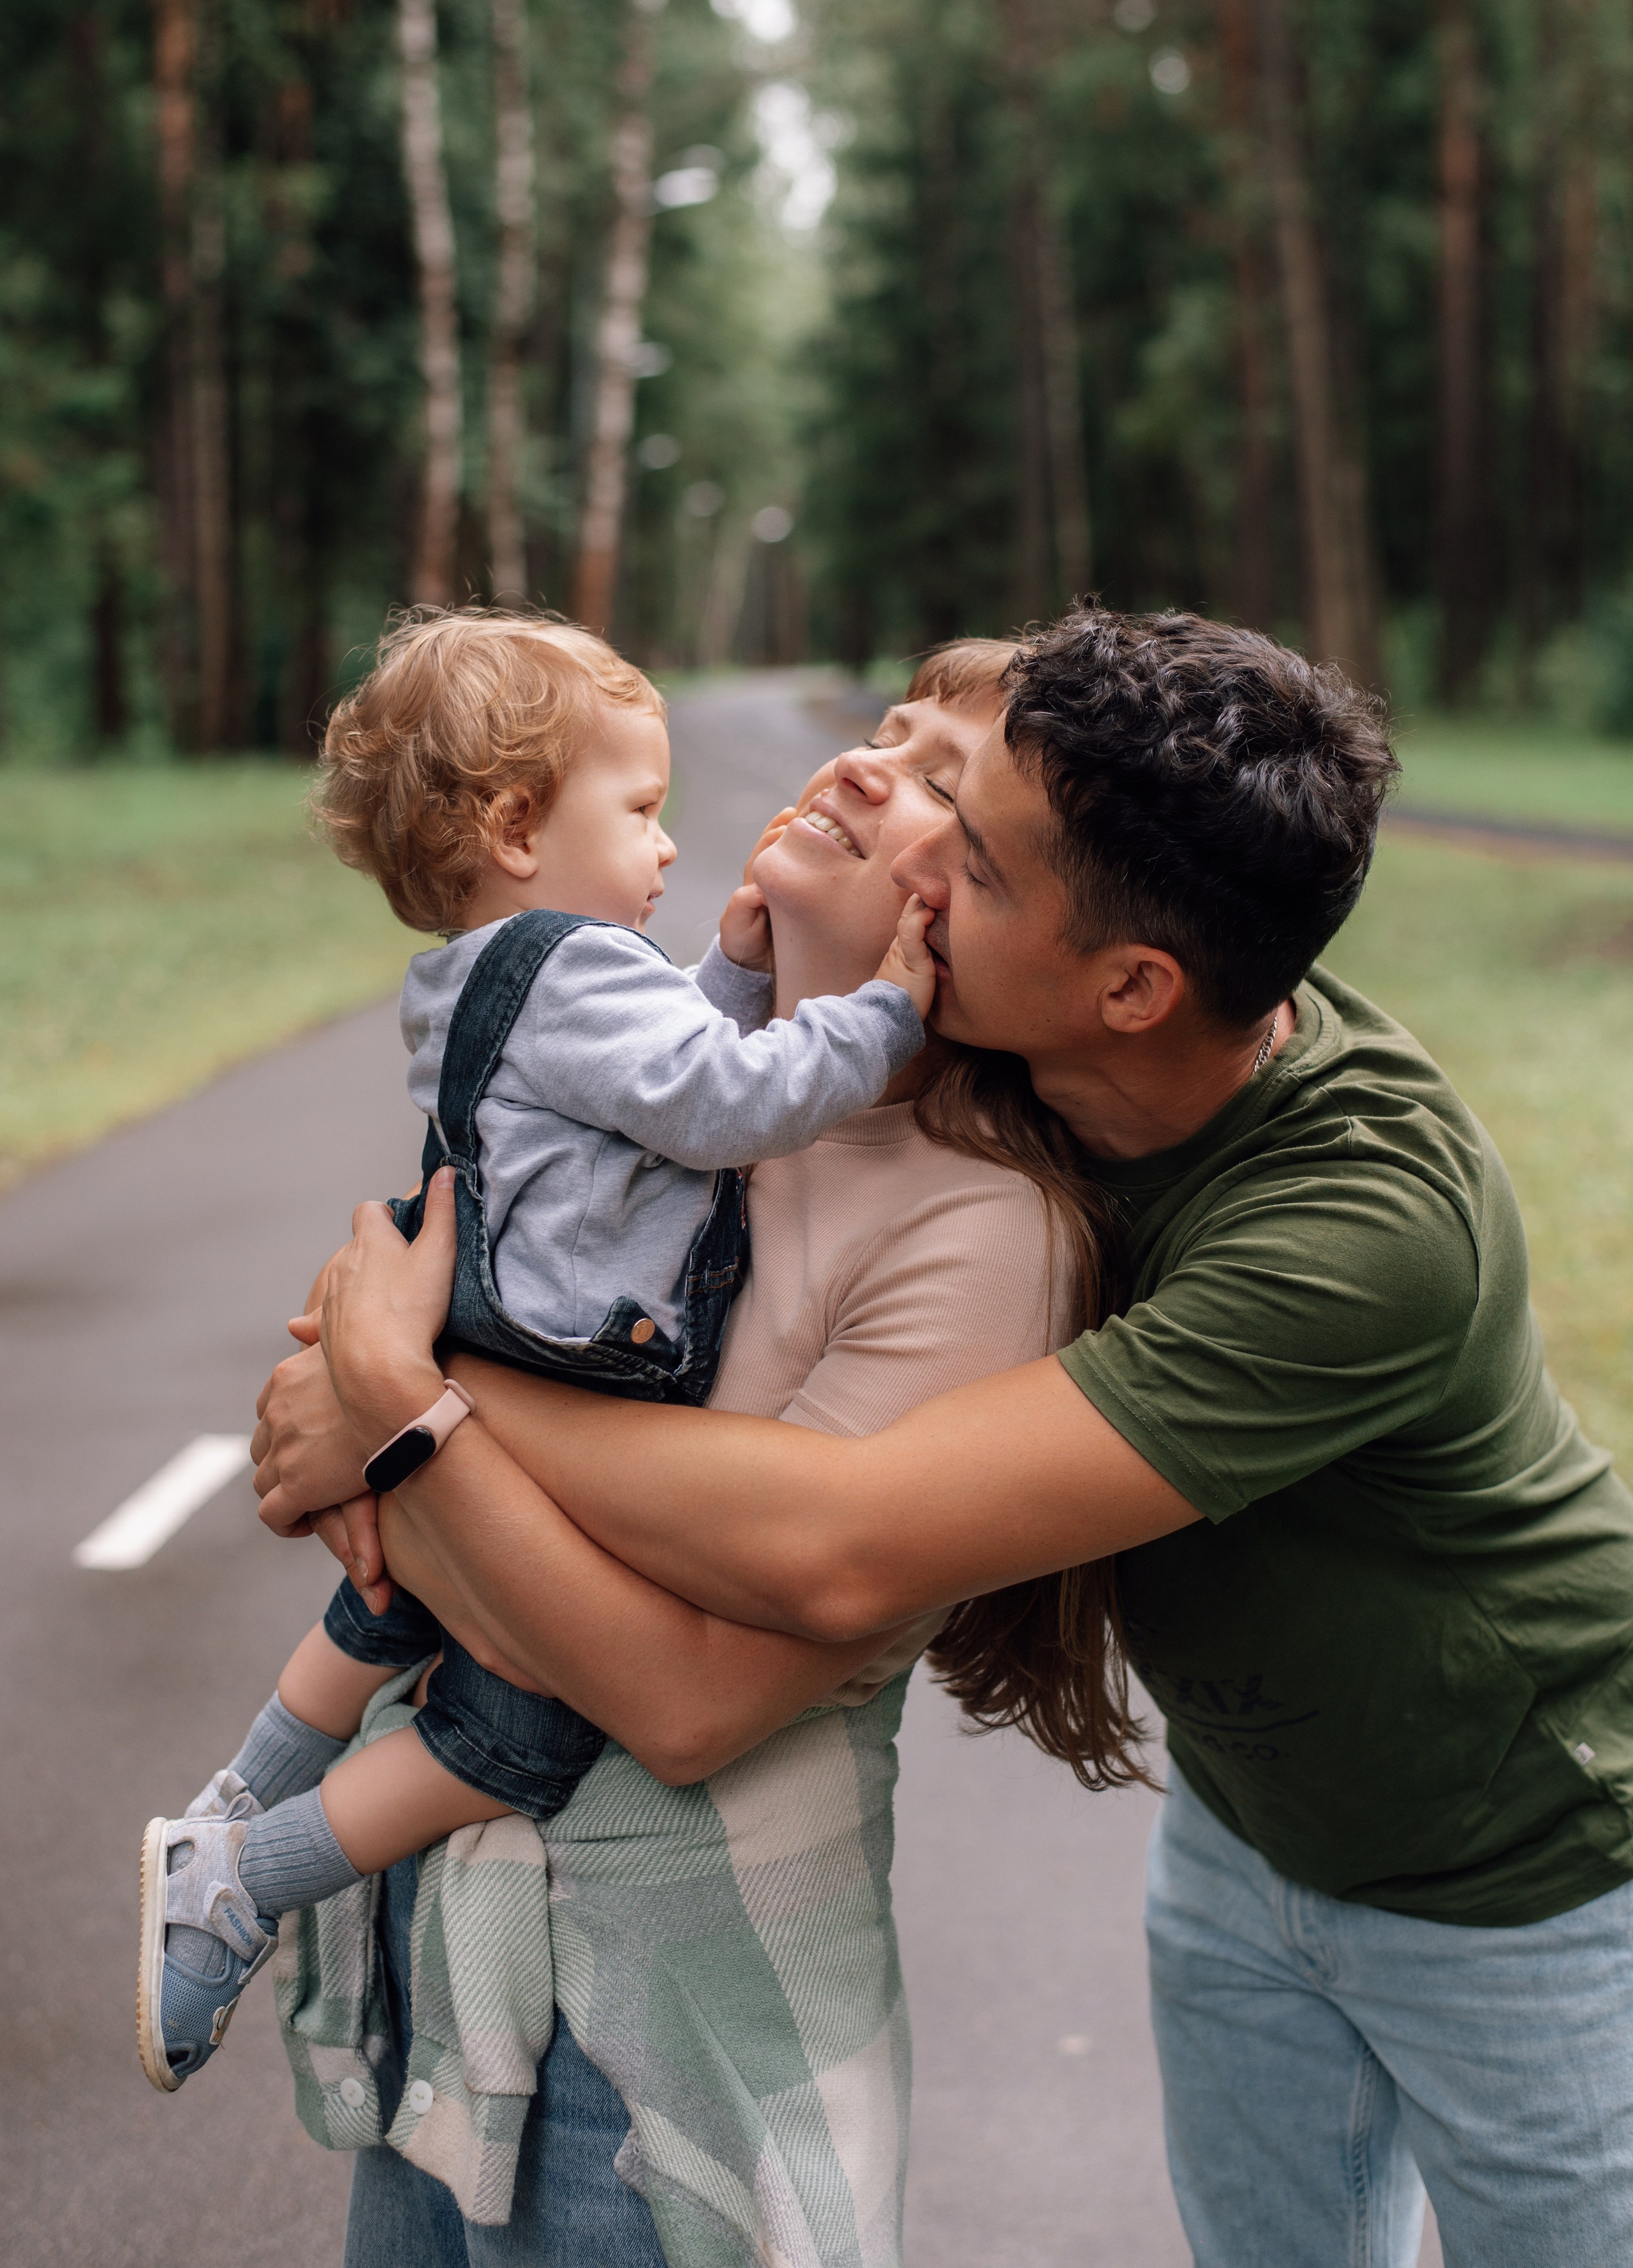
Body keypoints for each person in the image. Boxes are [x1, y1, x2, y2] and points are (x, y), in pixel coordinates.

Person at [260, 606, 1633, 2268]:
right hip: (1247, 1811)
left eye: (968, 848)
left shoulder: (1351, 1227)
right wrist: (393, 1374)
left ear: (1130, 983)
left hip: (1519, 1858)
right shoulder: (983, 1064)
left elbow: (838, 1539)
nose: (880, 783)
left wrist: (408, 1398)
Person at [138, 608, 939, 2098]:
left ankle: (231, 1793)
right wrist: (884, 1012)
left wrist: (731, 973)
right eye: (639, 811)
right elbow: (718, 1111)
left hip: (503, 1326)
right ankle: (250, 1866)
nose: (660, 847)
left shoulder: (491, 971)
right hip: (578, 1369)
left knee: (380, 1613)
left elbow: (621, 1110)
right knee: (516, 1727)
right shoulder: (578, 966)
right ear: (516, 822)